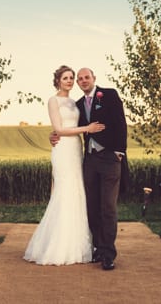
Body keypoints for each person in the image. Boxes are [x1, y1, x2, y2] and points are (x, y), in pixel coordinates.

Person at [24, 65, 105, 265]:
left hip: (76, 150)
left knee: (77, 192)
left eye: (71, 78)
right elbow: (58, 129)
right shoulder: (54, 101)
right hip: (62, 151)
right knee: (64, 191)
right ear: (58, 81)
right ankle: (57, 245)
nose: (69, 81)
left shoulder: (75, 103)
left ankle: (79, 244)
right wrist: (86, 128)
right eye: (65, 78)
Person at [53, 67, 128, 270]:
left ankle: (108, 254)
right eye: (80, 79)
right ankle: (97, 248)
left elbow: (121, 123)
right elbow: (66, 127)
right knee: (92, 207)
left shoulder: (109, 95)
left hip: (110, 158)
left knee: (108, 208)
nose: (83, 80)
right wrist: (54, 135)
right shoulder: (77, 105)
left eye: (87, 77)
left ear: (94, 78)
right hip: (90, 160)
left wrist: (119, 151)